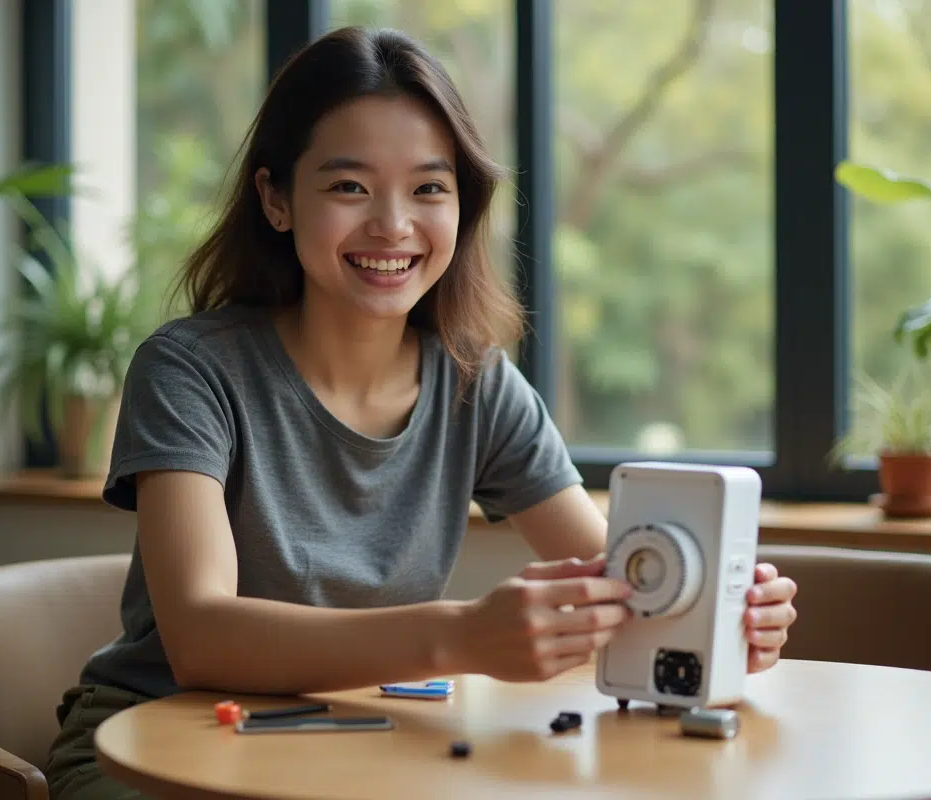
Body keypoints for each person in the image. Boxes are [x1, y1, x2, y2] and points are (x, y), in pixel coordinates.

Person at [44, 25, 798, 800]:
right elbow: (202, 637)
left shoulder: (477, 386)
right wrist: (461, 635)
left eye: (429, 188)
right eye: (349, 187)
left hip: (354, 745)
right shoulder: (190, 370)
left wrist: (716, 616)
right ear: (276, 199)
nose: (393, 225)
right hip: (158, 743)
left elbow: (626, 586)